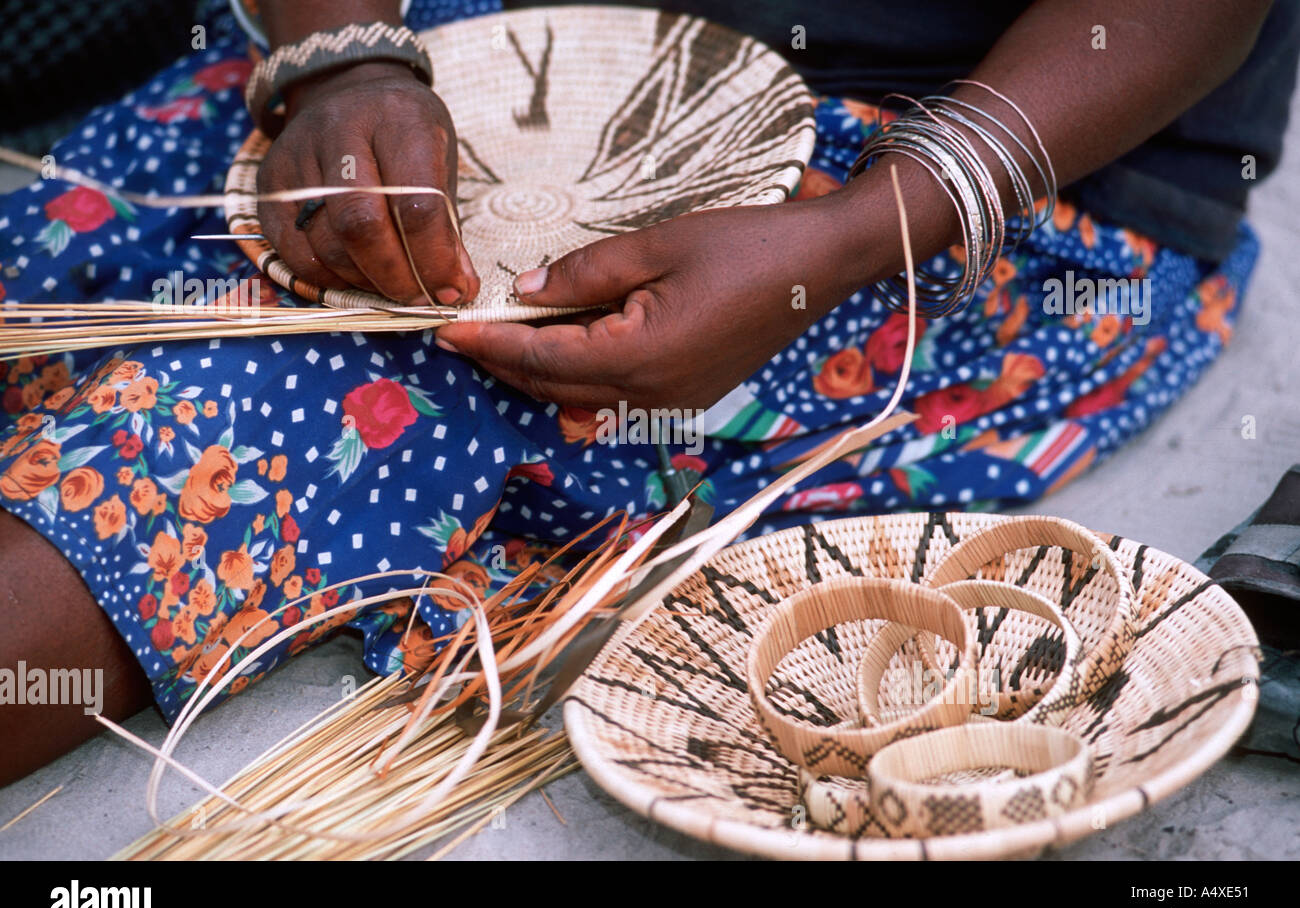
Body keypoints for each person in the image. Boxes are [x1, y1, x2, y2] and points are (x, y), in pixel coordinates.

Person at [0, 0, 1294, 786]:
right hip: (519, 43)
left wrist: (848, 241)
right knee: (98, 239)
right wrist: (346, 66)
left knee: (321, 403)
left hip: (960, 171)